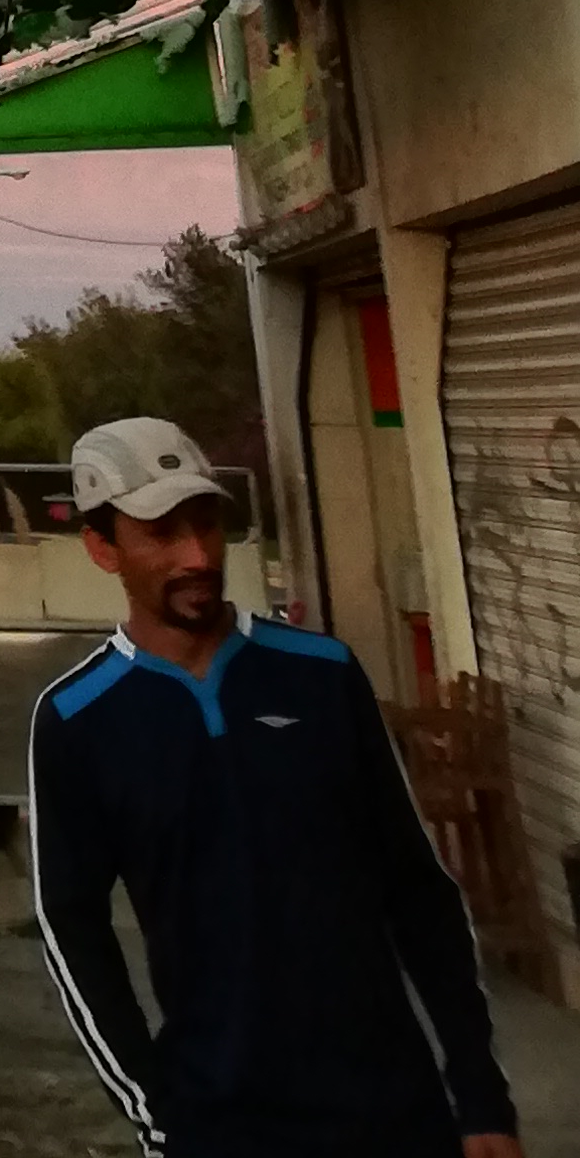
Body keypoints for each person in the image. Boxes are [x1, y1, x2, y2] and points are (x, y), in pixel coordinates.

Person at [29, 412, 521, 1158]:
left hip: (395, 1113)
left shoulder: (321, 675)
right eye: (163, 534)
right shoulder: (76, 719)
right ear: (103, 549)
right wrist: (157, 1114)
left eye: (206, 525)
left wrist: (480, 1093)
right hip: (222, 1124)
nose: (197, 555)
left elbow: (417, 889)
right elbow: (74, 933)